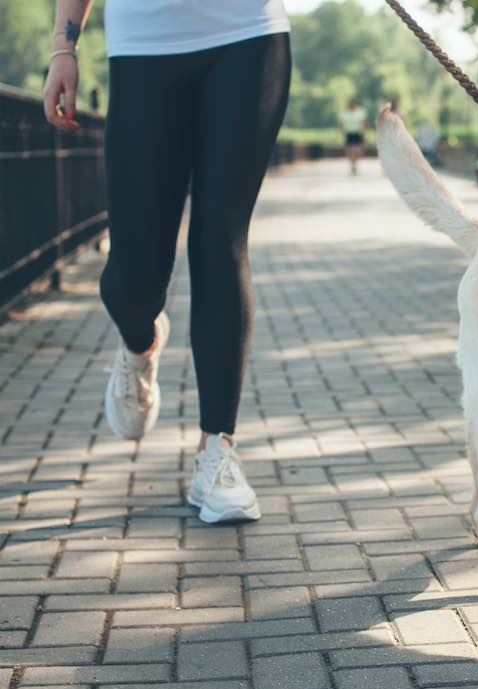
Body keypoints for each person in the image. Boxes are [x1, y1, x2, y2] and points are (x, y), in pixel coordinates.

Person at [42, 0, 291, 524]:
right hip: (144, 47)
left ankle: (217, 450)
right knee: (136, 275)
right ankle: (142, 340)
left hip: (249, 35)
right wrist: (65, 46)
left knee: (220, 241)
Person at [339, 97, 368, 175]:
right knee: (350, 151)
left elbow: (364, 122)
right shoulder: (345, 113)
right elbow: (342, 124)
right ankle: (353, 164)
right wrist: (341, 133)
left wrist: (364, 131)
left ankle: (355, 162)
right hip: (349, 133)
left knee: (358, 151)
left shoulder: (360, 112)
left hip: (358, 133)